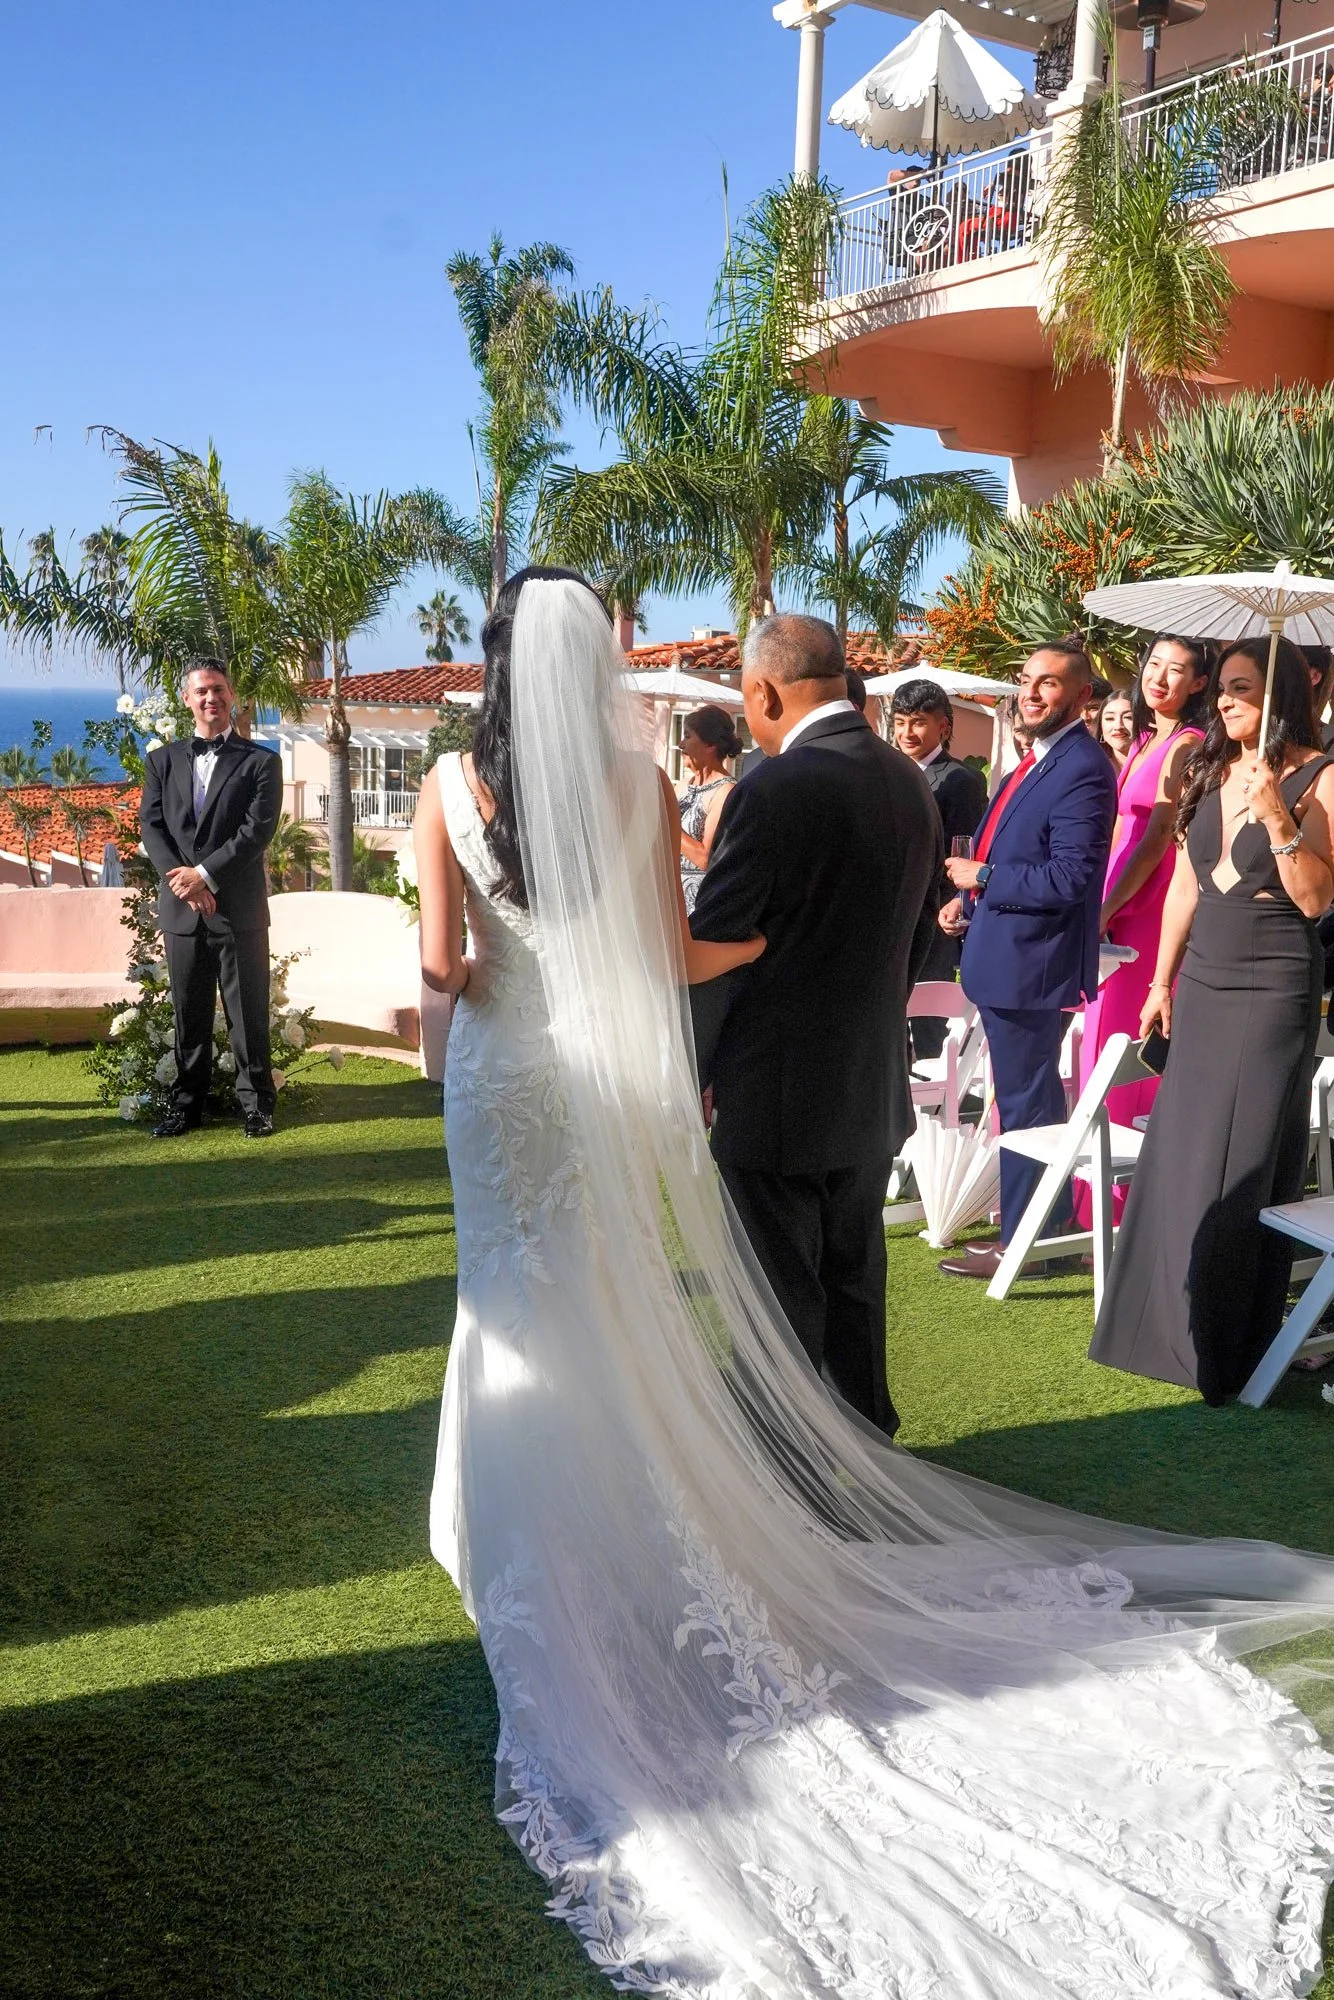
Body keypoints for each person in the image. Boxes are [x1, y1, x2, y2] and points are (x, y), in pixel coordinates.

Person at [414, 568, 1334, 2000]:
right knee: (700, 1301)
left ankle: (605, 1536)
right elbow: (679, 942)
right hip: (815, 1085)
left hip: (552, 1080)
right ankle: (763, 1499)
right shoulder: (854, 785)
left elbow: (462, 961)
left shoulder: (476, 791)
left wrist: (566, 992)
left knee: (550, 1309)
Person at [690, 614, 941, 1434]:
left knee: (776, 1296)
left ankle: (784, 1477)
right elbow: (921, 934)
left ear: (763, 691)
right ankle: (871, 1448)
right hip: (870, 1080)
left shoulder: (771, 788)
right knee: (855, 1280)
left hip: (776, 1088)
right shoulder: (912, 780)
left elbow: (716, 944)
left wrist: (697, 1069)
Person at [1090, 636, 1334, 1403]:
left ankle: (1226, 1348)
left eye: (1240, 688)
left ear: (1283, 696)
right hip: (1200, 979)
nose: (1223, 701)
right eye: (1222, 688)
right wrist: (1161, 981)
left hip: (1274, 984)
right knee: (1184, 1152)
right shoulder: (1208, 767)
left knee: (1244, 1158)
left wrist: (1274, 811)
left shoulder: (1322, 775)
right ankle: (1160, 1328)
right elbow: (1186, 889)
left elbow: (1316, 899)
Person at [937, 638, 1117, 1280]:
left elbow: (1071, 877)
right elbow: (1012, 855)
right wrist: (970, 900)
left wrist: (983, 876)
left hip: (1031, 967)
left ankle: (1026, 1240)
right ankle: (1048, 1224)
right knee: (1028, 1103)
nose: (1032, 692)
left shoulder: (1082, 767)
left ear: (1082, 696)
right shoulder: (1034, 762)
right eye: (1026, 679)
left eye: (1049, 683)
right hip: (1002, 952)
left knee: (1025, 1107)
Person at [1072, 635, 1211, 1224]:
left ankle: (1121, 1206)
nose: (1159, 677)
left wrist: (1104, 910)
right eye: (1154, 663)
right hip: (1121, 897)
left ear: (1199, 684)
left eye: (1177, 670)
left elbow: (1157, 840)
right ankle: (1096, 1202)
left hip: (1147, 910)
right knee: (1103, 1044)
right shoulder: (1147, 738)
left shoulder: (1186, 744)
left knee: (1124, 1052)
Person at [139, 658, 282, 1139]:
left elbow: (255, 833)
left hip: (237, 910)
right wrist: (183, 883)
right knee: (188, 1014)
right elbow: (151, 826)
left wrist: (203, 876)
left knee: (248, 1015)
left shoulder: (261, 762)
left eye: (218, 689)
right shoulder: (161, 761)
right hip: (183, 912)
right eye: (201, 691)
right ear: (186, 699)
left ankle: (257, 1105)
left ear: (231, 693)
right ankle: (186, 1106)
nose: (210, 699)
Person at [891, 677, 988, 1059]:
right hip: (894, 917)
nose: (906, 732)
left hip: (934, 918)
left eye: (917, 722)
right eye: (900, 722)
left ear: (942, 726)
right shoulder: (890, 771)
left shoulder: (960, 780)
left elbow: (962, 852)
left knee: (930, 1022)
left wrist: (953, 906)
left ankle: (936, 1110)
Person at [676, 704, 740, 913]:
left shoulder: (726, 791)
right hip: (669, 894)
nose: (680, 744)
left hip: (697, 902)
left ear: (710, 745)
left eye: (687, 736)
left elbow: (706, 858)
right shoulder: (682, 786)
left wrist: (666, 822)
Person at [1098, 688, 1134, 769]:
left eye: (1128, 717)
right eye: (1110, 718)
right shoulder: (1092, 767)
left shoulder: (1157, 763)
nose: (1118, 726)